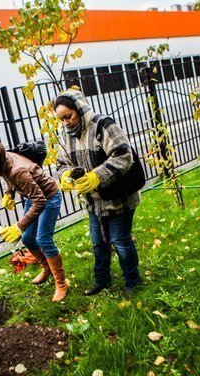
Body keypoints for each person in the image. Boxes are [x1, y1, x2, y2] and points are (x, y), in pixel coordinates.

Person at [53, 88, 142, 296]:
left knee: (120, 241)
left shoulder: (103, 125)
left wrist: (97, 176)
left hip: (118, 197)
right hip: (93, 202)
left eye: (69, 116)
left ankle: (133, 281)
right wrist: (65, 175)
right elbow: (61, 163)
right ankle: (102, 281)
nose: (65, 122)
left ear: (80, 109)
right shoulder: (65, 135)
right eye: (61, 119)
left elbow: (123, 155)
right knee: (98, 243)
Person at [0, 139, 67, 302]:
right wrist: (9, 193)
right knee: (28, 238)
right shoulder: (1, 158)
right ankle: (47, 268)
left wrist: (18, 226)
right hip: (34, 196)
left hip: (48, 196)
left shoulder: (17, 170)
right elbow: (10, 179)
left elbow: (40, 201)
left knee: (43, 239)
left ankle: (61, 283)